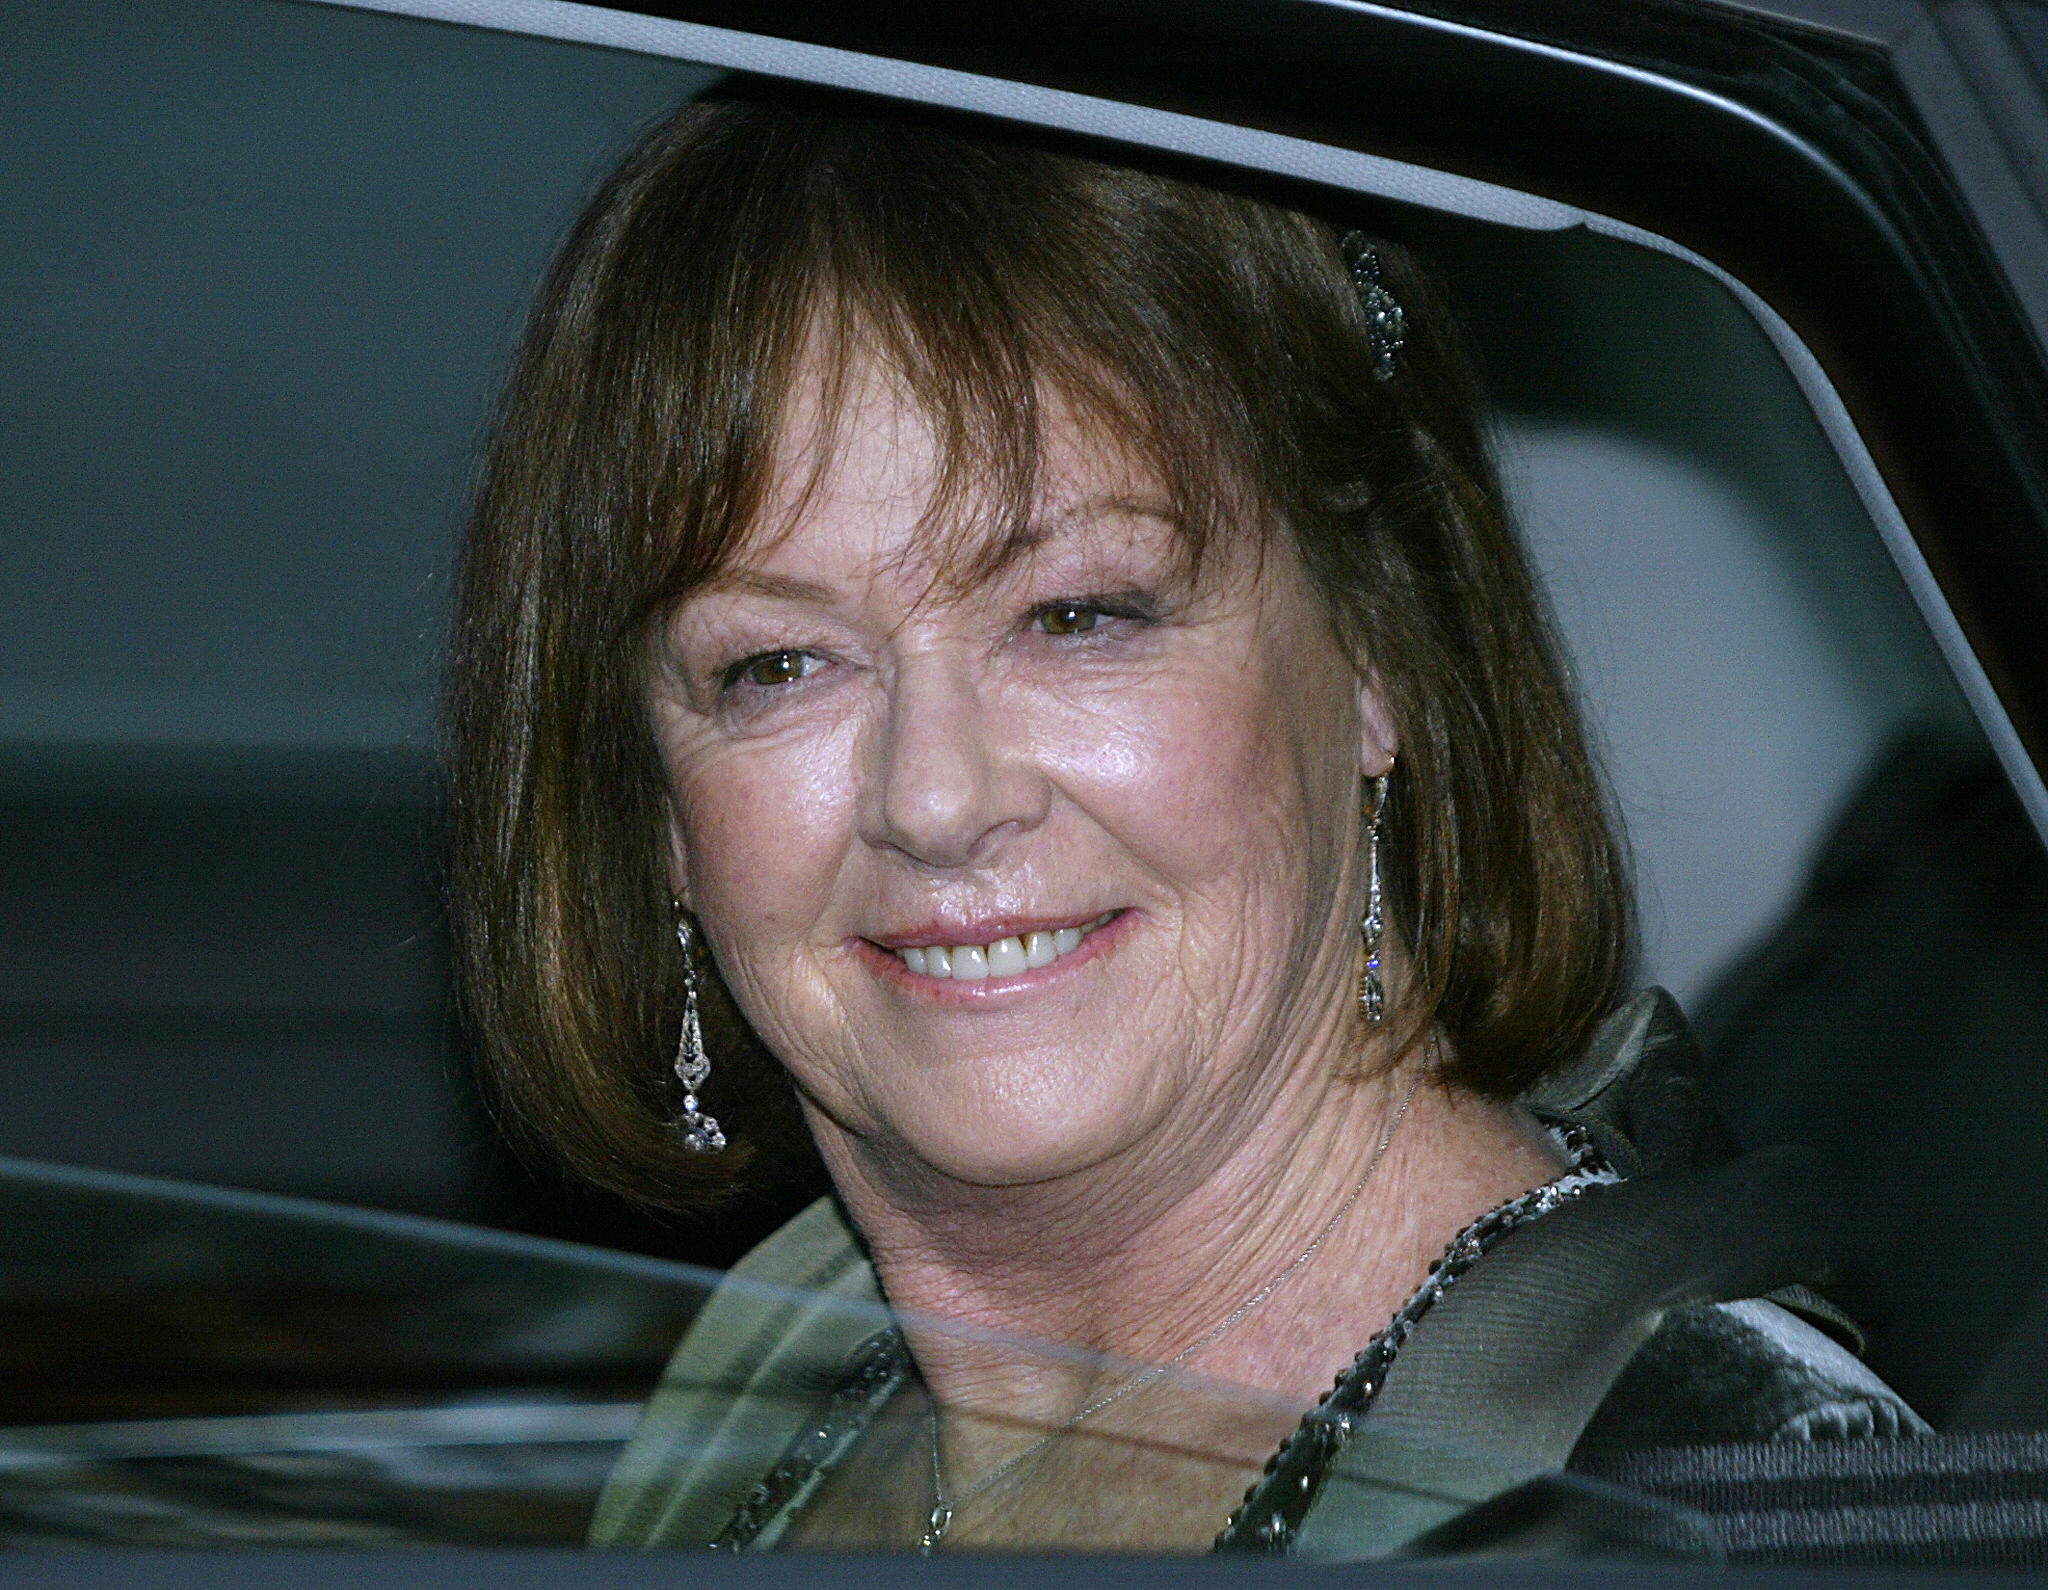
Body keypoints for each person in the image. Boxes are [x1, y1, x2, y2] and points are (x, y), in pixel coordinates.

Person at [444, 83, 1921, 1557]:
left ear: (1379, 654)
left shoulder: (1729, 1490)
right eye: (778, 664)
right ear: (660, 815)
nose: (938, 799)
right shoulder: (759, 1377)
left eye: (1079, 614)